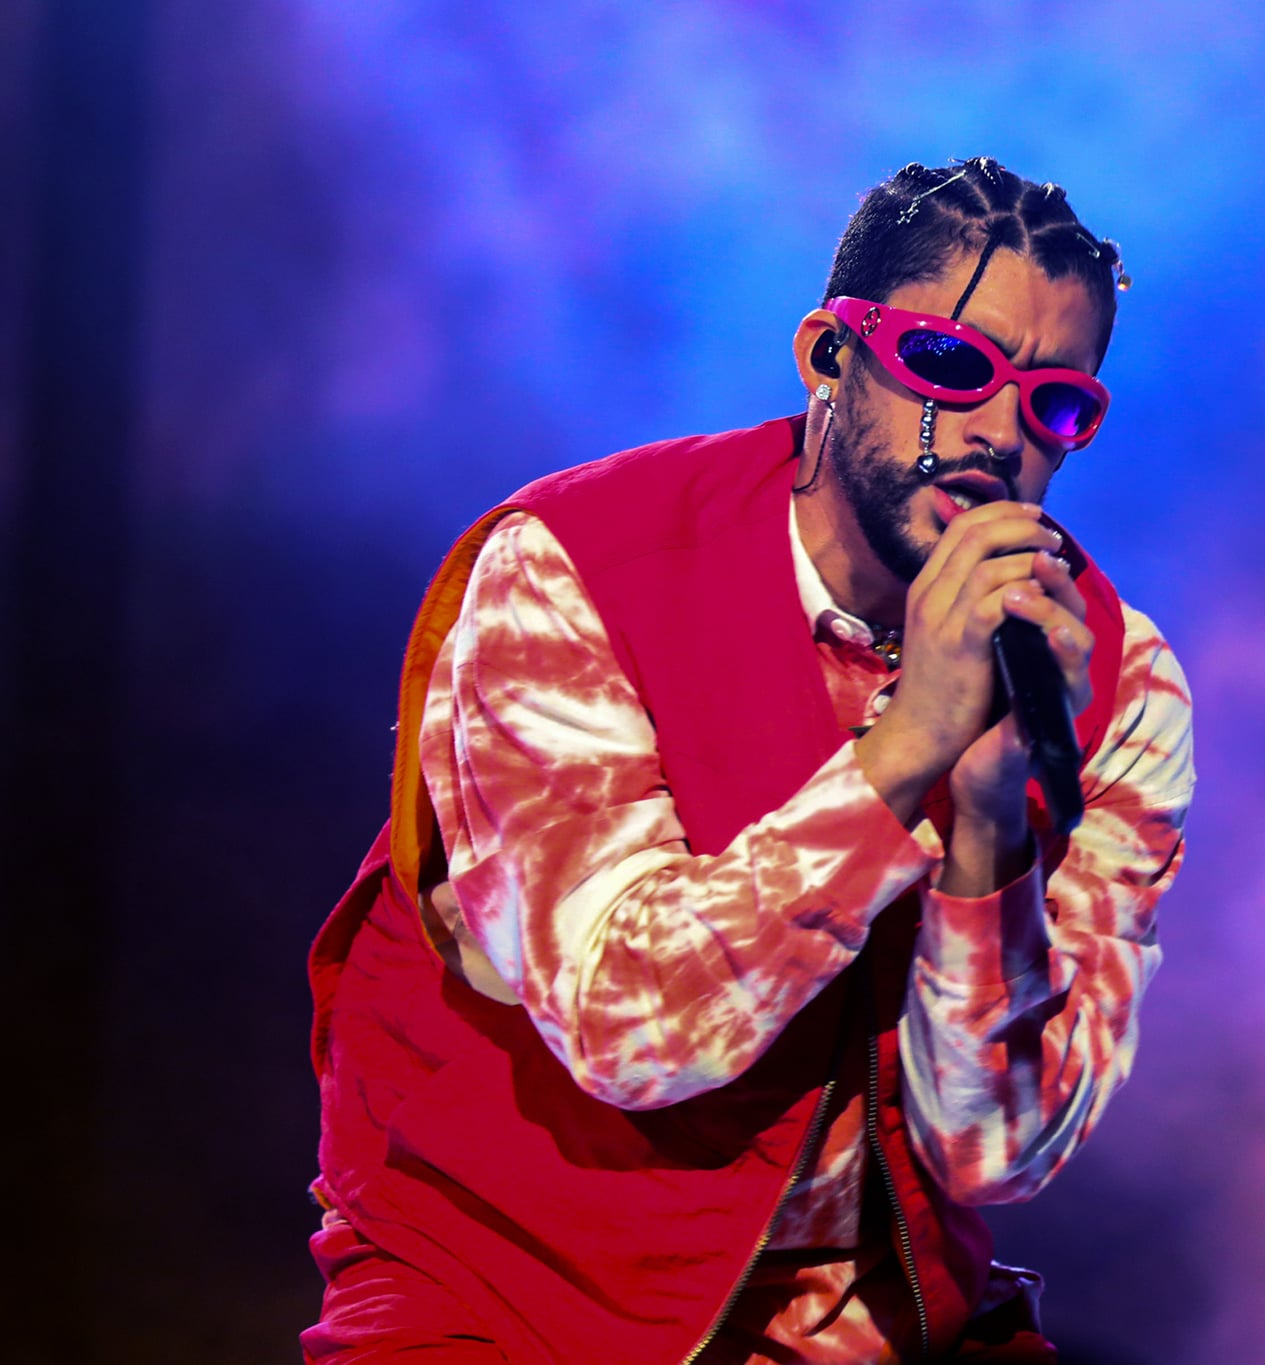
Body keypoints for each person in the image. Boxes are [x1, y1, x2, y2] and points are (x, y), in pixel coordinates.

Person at [302, 157, 1195, 1365]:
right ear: (829, 357)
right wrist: (905, 750)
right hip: (512, 1295)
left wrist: (993, 841)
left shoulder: (1117, 680)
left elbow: (997, 1156)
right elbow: (630, 1033)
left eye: (1054, 405)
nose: (997, 432)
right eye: (951, 364)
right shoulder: (574, 570)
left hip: (881, 1320)